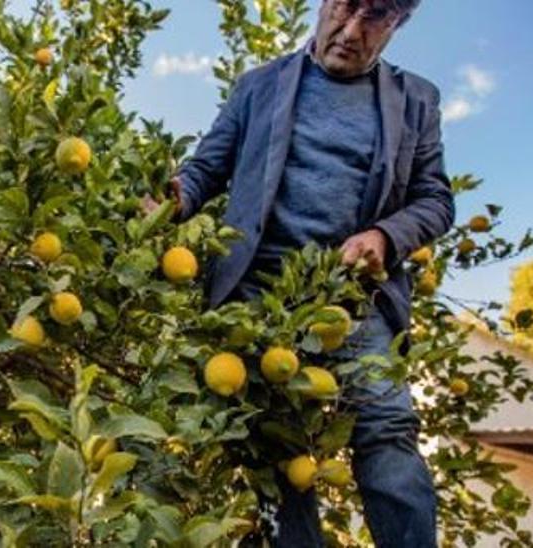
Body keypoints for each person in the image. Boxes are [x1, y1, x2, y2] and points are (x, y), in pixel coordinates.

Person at [149, 0, 453, 545]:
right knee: (278, 454)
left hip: (354, 303)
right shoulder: (259, 86)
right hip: (258, 300)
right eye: (345, 6)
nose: (352, 29)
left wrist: (386, 236)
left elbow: (435, 201)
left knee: (386, 432)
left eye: (377, 16)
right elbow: (205, 170)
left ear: (397, 25)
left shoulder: (415, 101)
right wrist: (172, 199)